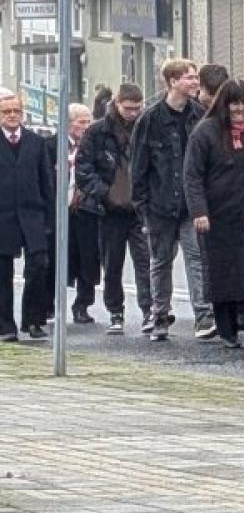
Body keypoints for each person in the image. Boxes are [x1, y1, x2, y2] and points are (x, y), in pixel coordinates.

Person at [184, 79, 244, 349]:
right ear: (225, 105)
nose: (241, 110)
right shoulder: (205, 132)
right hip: (217, 216)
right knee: (222, 273)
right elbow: (193, 176)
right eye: (235, 105)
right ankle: (228, 328)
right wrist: (199, 211)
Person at [130, 58, 210, 341]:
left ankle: (203, 315)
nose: (195, 82)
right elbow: (138, 166)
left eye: (196, 76)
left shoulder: (199, 115)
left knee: (196, 257)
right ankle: (160, 316)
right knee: (161, 261)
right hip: (159, 204)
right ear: (173, 81)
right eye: (190, 77)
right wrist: (141, 206)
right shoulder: (150, 119)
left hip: (190, 204)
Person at [76, 83, 151, 336]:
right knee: (113, 264)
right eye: (129, 108)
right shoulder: (98, 131)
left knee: (145, 263)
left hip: (139, 208)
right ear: (117, 104)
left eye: (137, 109)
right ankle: (115, 312)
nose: (133, 113)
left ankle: (149, 310)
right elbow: (84, 169)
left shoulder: (146, 127)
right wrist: (104, 194)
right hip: (108, 210)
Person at [0, 89, 54, 341]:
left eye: (16, 111)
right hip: (3, 217)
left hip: (33, 214)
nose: (12, 116)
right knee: (3, 272)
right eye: (6, 112)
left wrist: (50, 219)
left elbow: (47, 182)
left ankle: (33, 320)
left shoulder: (36, 142)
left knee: (39, 265)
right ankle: (5, 326)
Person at [65, 104, 102, 325]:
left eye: (89, 122)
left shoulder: (94, 146)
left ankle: (83, 304)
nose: (86, 127)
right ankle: (50, 303)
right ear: (69, 123)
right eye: (81, 122)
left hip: (86, 209)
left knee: (88, 258)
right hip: (60, 210)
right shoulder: (54, 145)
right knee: (57, 258)